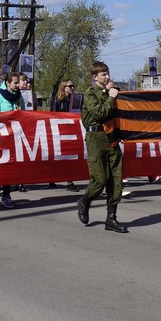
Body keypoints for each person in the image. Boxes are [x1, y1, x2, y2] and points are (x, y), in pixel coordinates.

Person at [75, 62, 128, 233]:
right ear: (95, 77)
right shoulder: (90, 94)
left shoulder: (111, 92)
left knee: (116, 178)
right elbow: (100, 113)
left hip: (112, 137)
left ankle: (111, 218)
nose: (107, 77)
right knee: (100, 178)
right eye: (103, 74)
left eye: (108, 73)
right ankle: (85, 200)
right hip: (96, 138)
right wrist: (111, 96)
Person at [0, 72, 25, 210]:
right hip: (1, 137)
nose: (17, 85)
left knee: (10, 167)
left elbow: (25, 116)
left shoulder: (19, 99)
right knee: (2, 166)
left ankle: (6, 195)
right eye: (15, 83)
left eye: (18, 83)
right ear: (8, 83)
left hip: (14, 137)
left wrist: (20, 113)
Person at [50, 79, 79, 192]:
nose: (72, 88)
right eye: (70, 86)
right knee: (57, 156)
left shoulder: (73, 100)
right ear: (64, 87)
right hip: (60, 131)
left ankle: (69, 181)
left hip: (70, 131)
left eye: (73, 86)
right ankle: (52, 176)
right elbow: (52, 117)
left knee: (70, 157)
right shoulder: (57, 100)